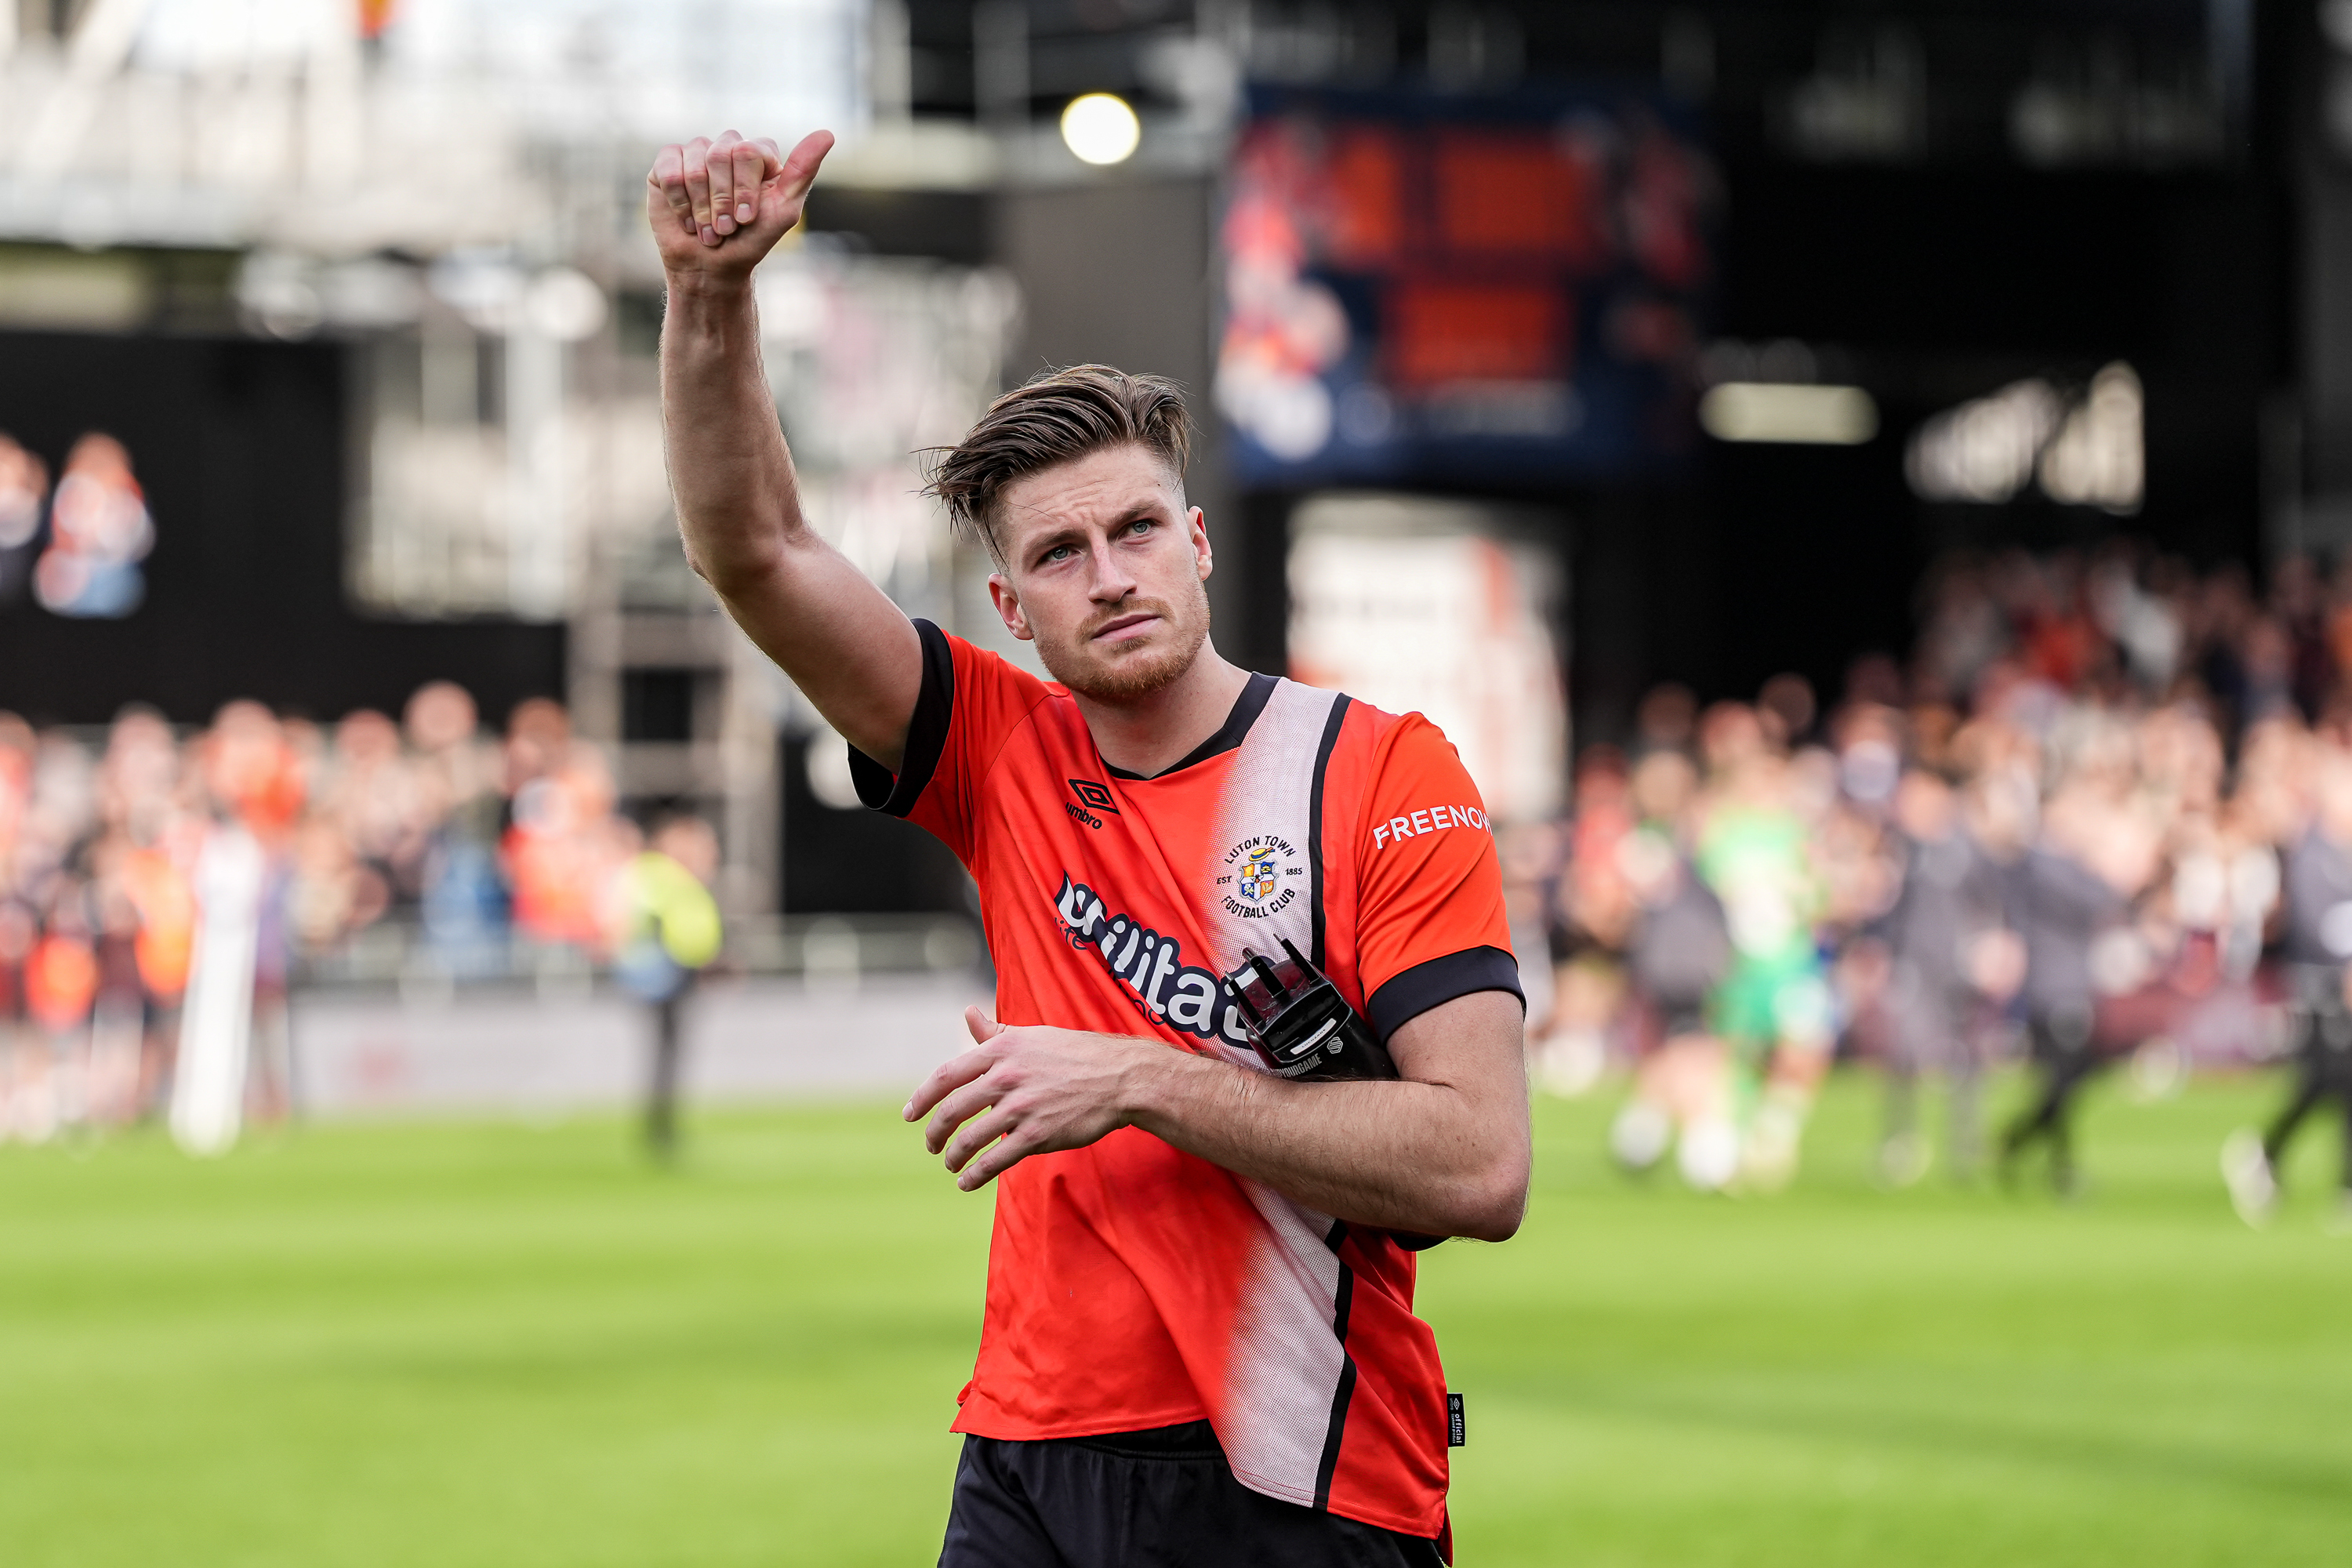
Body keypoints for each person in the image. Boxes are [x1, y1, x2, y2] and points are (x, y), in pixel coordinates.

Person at [650, 128, 1528, 1566]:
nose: (1108, 576)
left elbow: (1480, 1164)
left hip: (1297, 1469)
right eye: (1059, 556)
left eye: (1134, 531)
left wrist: (1132, 1078)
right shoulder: (999, 745)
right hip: (1028, 1453)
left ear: (1198, 543)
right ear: (1010, 607)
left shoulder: (1379, 769)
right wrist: (708, 293)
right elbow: (755, 549)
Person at [2223, 739, 2352, 1228]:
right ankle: (2267, 1152)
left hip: (2335, 985)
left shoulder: (2338, 853)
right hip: (2322, 990)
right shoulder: (2314, 855)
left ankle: (2277, 1158)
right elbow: (2321, 925)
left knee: (2334, 1083)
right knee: (2328, 1080)